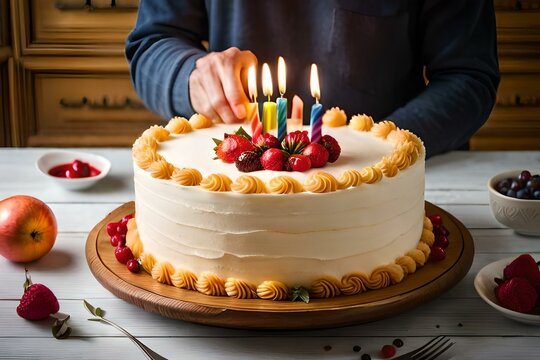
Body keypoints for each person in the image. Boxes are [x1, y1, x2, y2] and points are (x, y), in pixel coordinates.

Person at [125, 0, 500, 158]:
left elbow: (468, 75)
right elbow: (152, 43)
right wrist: (190, 77)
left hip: (399, 182)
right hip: (239, 179)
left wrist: (385, 146)